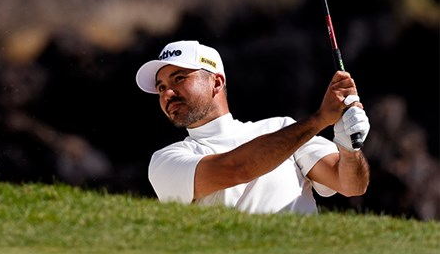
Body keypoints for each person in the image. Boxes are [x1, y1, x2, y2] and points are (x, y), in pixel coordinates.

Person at [136, 40, 370, 214]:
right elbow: (237, 169)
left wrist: (348, 149)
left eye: (179, 78)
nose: (167, 93)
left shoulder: (283, 128)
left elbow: (351, 185)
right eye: (161, 87)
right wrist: (320, 120)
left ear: (216, 82)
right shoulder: (166, 160)